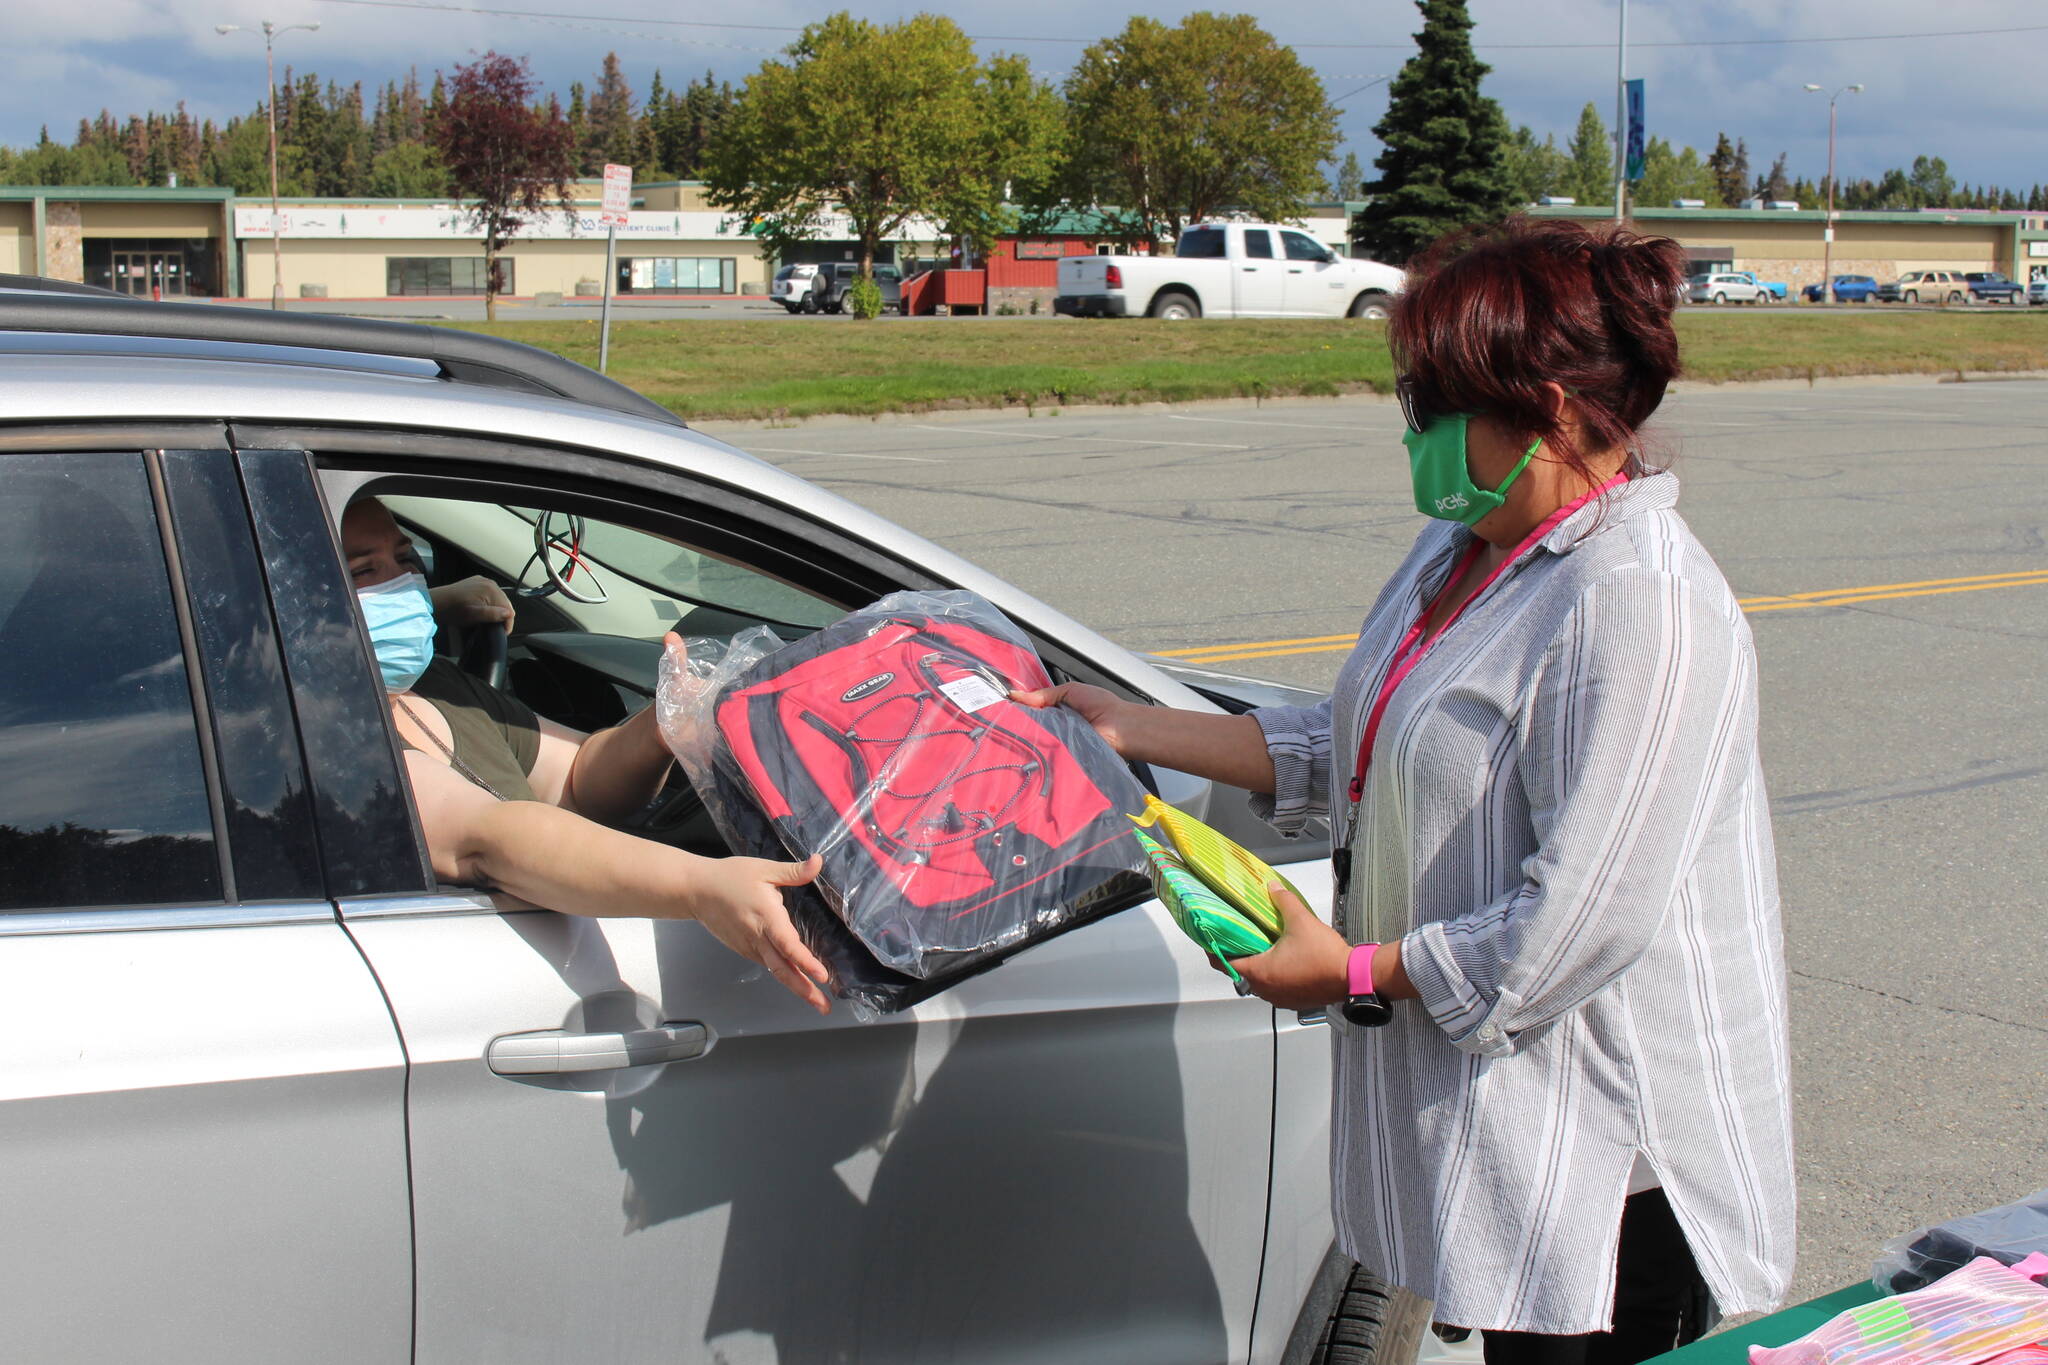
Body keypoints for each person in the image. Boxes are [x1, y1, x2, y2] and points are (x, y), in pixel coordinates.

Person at [1018, 217, 1794, 1363]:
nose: (1416, 443)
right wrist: (1129, 724)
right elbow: (1364, 748)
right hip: (1504, 1119)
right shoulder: (1464, 552)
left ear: (1557, 413)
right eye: (1409, 412)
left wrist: (1353, 973)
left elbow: (1579, 920)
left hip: (1608, 1160)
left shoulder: (1635, 602)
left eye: (1438, 415)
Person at [341, 496, 833, 1014]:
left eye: (407, 561)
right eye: (364, 571)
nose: (404, 588)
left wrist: (662, 727)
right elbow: (490, 837)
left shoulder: (434, 685)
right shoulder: (339, 744)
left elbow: (574, 781)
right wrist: (701, 884)